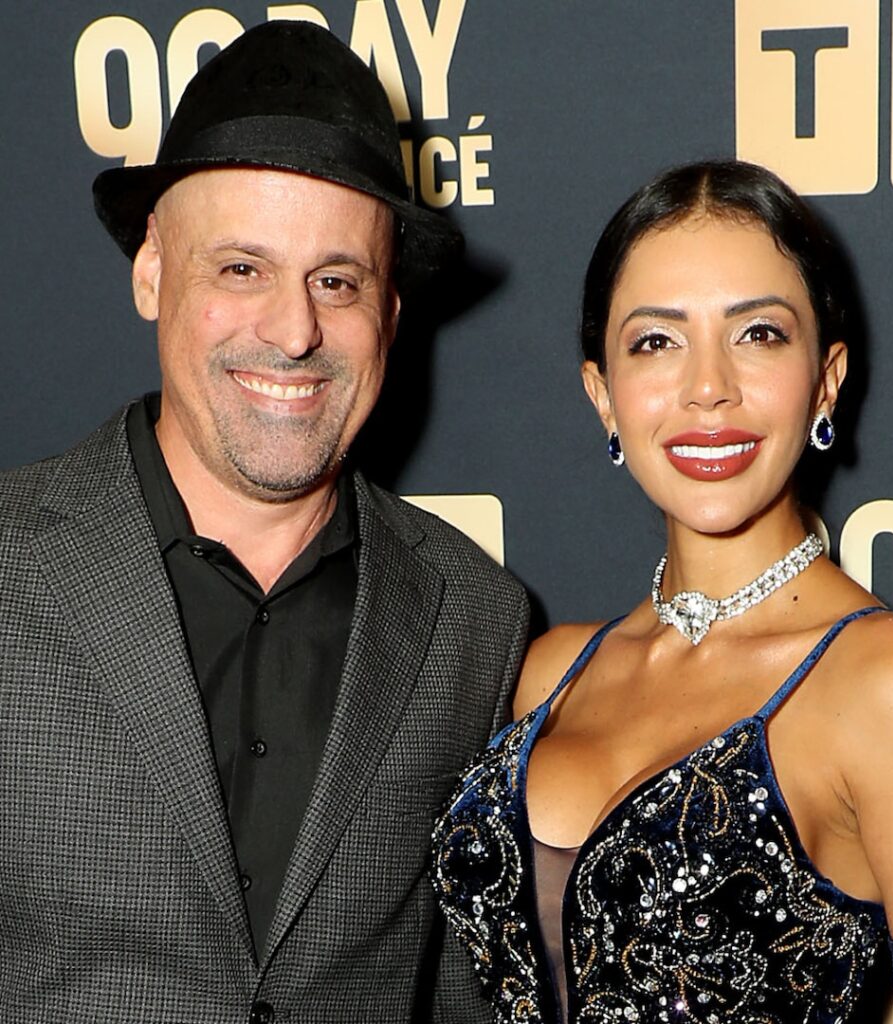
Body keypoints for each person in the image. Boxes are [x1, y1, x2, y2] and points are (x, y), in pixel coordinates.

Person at [0, 20, 528, 1023]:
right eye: (242, 269)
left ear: (391, 313)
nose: (294, 331)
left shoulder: (475, 620)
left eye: (338, 281)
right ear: (152, 272)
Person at [432, 161, 893, 1023]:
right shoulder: (552, 673)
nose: (708, 387)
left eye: (759, 334)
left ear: (826, 379)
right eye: (656, 342)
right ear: (603, 396)